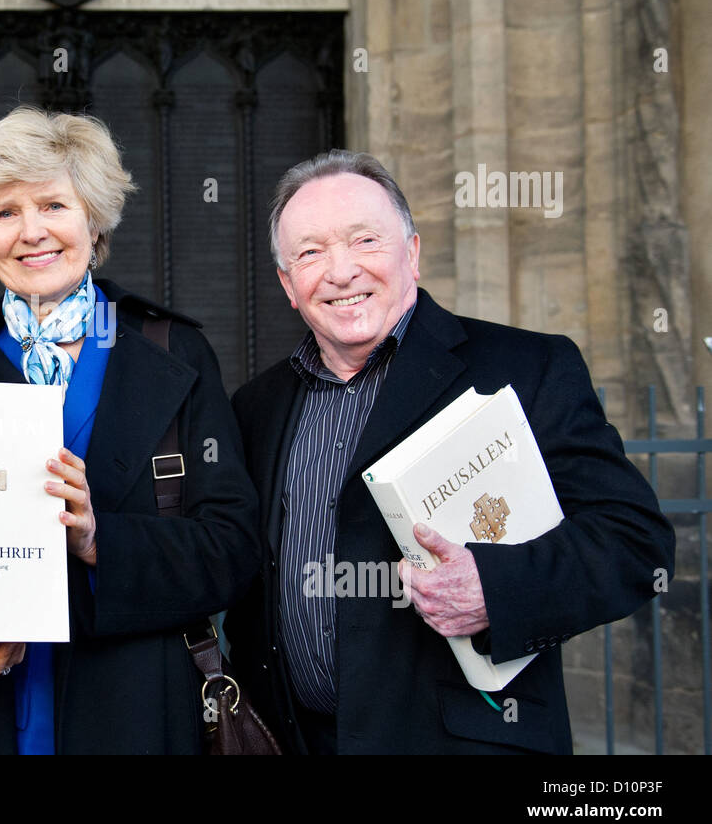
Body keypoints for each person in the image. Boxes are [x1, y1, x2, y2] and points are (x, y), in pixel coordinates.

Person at [225, 150, 674, 754]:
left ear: (411, 252)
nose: (340, 271)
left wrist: (495, 587)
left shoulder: (524, 367)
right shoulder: (256, 407)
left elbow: (635, 544)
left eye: (364, 241)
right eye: (310, 253)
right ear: (287, 285)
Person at [0, 107, 261, 754]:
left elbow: (232, 548)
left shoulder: (174, 352)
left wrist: (103, 540)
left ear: (93, 219)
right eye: (5, 212)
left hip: (137, 712)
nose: (31, 232)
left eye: (53, 205)